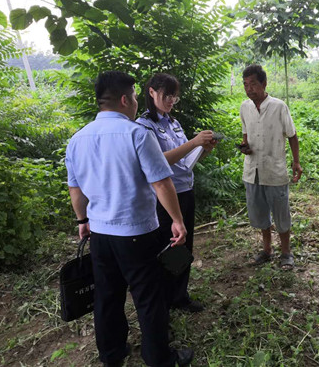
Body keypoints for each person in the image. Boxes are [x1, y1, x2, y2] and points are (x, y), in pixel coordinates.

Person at [65, 71, 193, 367]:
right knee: (148, 297)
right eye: (135, 96)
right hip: (137, 233)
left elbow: (76, 188)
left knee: (107, 295)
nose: (137, 102)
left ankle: (112, 354)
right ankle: (159, 358)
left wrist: (82, 221)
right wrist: (177, 220)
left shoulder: (77, 139)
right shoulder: (137, 134)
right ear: (125, 99)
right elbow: (161, 182)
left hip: (100, 234)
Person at [136, 73, 216, 313]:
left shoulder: (173, 123)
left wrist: (203, 149)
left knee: (184, 246)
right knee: (167, 246)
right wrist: (193, 142)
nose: (171, 100)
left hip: (185, 190)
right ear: (152, 92)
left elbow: (184, 159)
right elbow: (158, 161)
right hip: (165, 196)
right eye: (166, 95)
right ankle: (163, 298)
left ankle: (179, 296)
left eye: (174, 96)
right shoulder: (145, 126)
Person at [239, 64, 303, 269]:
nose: (249, 89)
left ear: (264, 83)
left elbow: (292, 135)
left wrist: (296, 162)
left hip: (275, 170)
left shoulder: (278, 107)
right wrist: (245, 147)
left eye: (253, 84)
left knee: (281, 213)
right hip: (253, 171)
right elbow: (246, 135)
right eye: (245, 85)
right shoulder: (245, 107)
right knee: (259, 213)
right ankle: (266, 250)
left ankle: (286, 253)